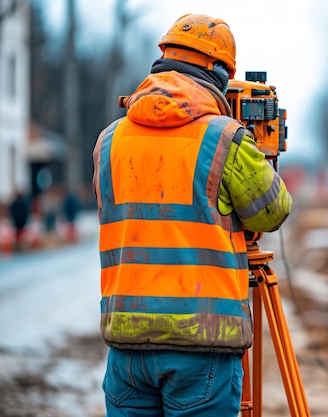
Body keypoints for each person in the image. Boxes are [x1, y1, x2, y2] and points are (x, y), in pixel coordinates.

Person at [91, 13, 292, 417]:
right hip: (203, 344)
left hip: (127, 346)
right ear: (219, 75)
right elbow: (273, 211)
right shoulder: (225, 138)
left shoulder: (109, 140)